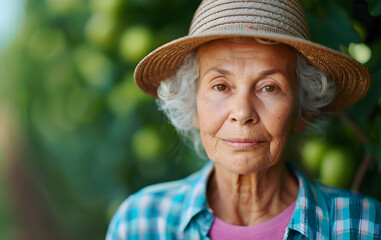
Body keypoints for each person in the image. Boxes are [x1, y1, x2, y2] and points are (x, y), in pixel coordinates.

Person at [106, 0, 381, 239]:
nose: (242, 112)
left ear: (303, 108)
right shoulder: (140, 224)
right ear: (194, 106)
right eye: (221, 86)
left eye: (269, 87)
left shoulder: (364, 226)